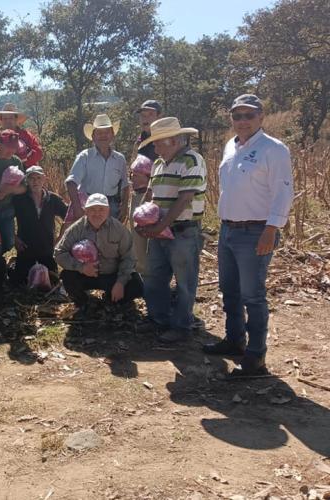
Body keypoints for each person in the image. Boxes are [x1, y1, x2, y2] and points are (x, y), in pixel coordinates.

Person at [203, 94, 294, 377]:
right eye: (237, 116)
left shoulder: (274, 149)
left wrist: (271, 229)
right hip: (229, 229)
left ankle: (256, 356)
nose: (242, 121)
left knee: (252, 296)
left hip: (256, 230)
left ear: (261, 117)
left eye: (248, 115)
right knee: (229, 291)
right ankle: (234, 340)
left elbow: (283, 192)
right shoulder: (231, 146)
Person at [135, 117, 206, 343]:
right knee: (155, 276)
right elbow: (151, 195)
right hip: (158, 232)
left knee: (184, 280)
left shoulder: (191, 160)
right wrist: (143, 219)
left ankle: (182, 326)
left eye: (158, 143)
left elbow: (185, 199)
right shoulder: (158, 163)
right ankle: (158, 318)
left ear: (173, 140)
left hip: (183, 231)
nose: (154, 147)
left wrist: (160, 226)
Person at [55, 194, 143, 311]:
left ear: (108, 210)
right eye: (92, 209)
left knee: (136, 285)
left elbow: (129, 257)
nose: (97, 213)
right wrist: (81, 267)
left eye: (101, 209)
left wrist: (120, 283)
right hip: (85, 275)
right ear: (86, 211)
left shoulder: (119, 229)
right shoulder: (76, 229)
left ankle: (111, 298)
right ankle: (83, 302)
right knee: (67, 276)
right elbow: (59, 253)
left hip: (111, 275)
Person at [65, 114, 130, 222]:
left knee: (110, 238)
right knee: (89, 238)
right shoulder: (84, 156)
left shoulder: (120, 159)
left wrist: (124, 207)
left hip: (112, 206)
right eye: (99, 133)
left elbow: (125, 186)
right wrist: (77, 208)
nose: (103, 136)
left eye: (107, 132)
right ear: (93, 136)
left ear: (112, 135)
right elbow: (71, 182)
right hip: (89, 204)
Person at [11, 166, 68, 285]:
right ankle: (13, 265)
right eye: (31, 178)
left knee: (52, 280)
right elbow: (6, 219)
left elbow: (68, 217)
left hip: (47, 248)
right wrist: (15, 238)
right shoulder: (18, 199)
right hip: (25, 248)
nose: (35, 181)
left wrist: (60, 238)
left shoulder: (53, 199)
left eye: (38, 178)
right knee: (18, 282)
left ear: (44, 179)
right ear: (26, 181)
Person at [0, 103, 43, 167]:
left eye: (10, 118)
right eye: (5, 118)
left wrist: (23, 161)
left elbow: (38, 152)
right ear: (1, 120)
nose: (8, 121)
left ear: (16, 119)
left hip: (25, 172)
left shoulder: (26, 135)